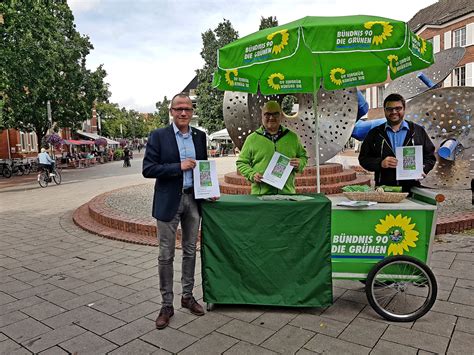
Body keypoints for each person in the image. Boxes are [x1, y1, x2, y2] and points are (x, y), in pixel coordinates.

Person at [142, 93, 207, 329]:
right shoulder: (159, 136)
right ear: (171, 111)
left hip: (193, 200)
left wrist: (208, 189)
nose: (183, 113)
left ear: (192, 112)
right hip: (168, 200)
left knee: (190, 250)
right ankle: (166, 304)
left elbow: (203, 169)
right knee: (166, 255)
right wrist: (177, 167)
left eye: (187, 109)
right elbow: (148, 169)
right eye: (178, 108)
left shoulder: (200, 137)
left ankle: (187, 296)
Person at [358, 93, 436, 193]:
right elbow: (364, 159)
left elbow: (430, 157)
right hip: (384, 190)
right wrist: (380, 163)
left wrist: (423, 168)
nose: (394, 112)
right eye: (389, 109)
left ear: (404, 109)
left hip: (412, 189)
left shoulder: (418, 131)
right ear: (384, 110)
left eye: (398, 108)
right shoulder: (374, 133)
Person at [236, 100, 308, 195]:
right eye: (267, 114)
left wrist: (300, 163)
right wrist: (252, 174)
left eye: (275, 114)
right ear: (262, 116)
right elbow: (241, 162)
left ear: (281, 115)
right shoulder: (252, 139)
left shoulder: (292, 137)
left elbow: (303, 157)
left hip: (287, 195)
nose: (271, 117)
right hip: (261, 196)